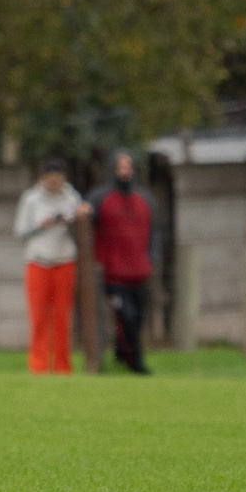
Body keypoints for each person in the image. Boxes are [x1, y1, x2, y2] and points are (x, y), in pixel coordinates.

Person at [13, 158, 88, 374]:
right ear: (43, 179)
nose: (54, 185)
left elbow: (80, 222)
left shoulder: (71, 197)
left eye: (58, 181)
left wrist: (75, 216)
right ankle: (39, 365)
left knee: (62, 316)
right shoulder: (31, 199)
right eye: (50, 181)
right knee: (38, 317)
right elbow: (20, 232)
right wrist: (42, 225)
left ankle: (63, 366)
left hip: (64, 261)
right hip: (38, 262)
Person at [88, 150, 159, 374]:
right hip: (112, 274)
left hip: (139, 273)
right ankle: (136, 363)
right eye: (120, 168)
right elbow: (85, 222)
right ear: (113, 170)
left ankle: (121, 353)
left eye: (128, 167)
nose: (124, 172)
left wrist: (152, 257)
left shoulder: (145, 199)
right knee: (125, 316)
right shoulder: (100, 198)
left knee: (137, 319)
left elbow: (155, 231)